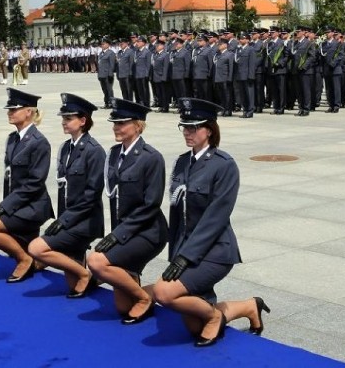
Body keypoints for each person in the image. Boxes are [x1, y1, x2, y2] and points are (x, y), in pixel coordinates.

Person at [152, 98, 266, 347]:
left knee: (163, 293)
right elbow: (176, 214)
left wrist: (185, 258)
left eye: (194, 127)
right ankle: (248, 306)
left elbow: (216, 218)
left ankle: (214, 315)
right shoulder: (182, 162)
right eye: (185, 127)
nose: (188, 133)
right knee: (195, 327)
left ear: (210, 130)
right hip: (187, 251)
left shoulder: (224, 165)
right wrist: (175, 255)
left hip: (215, 252)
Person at [86, 98, 167, 325]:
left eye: (122, 123)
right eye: (114, 123)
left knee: (96, 262)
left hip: (148, 231)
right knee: (122, 307)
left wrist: (117, 236)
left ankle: (144, 297)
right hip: (124, 231)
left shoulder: (152, 157)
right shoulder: (112, 154)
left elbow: (151, 205)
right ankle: (135, 280)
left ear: (138, 126)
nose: (116, 128)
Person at [28, 94, 105, 297]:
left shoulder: (94, 151)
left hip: (84, 221)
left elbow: (91, 195)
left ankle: (85, 273)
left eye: (68, 118)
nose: (64, 122)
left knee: (37, 249)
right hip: (69, 219)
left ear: (83, 121)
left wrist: (65, 221)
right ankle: (81, 269)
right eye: (63, 118)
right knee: (71, 283)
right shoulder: (65, 148)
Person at [0, 88, 53, 282]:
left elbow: (34, 183)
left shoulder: (39, 142)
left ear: (29, 112)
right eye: (9, 109)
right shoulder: (13, 138)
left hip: (33, 206)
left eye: (14, 109)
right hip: (18, 203)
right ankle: (27, 251)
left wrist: (4, 207)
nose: (9, 112)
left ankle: (24, 259)